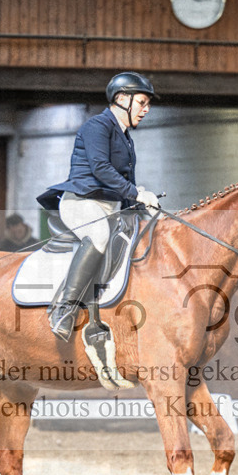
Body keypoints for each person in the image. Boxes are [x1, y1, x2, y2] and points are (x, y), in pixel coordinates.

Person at [36, 71, 161, 341]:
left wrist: (141, 206)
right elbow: (101, 169)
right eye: (141, 102)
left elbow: (126, 181)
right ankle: (63, 309)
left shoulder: (126, 137)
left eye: (147, 104)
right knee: (100, 235)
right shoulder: (97, 126)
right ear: (121, 99)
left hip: (110, 206)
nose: (146, 109)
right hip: (81, 202)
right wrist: (136, 194)